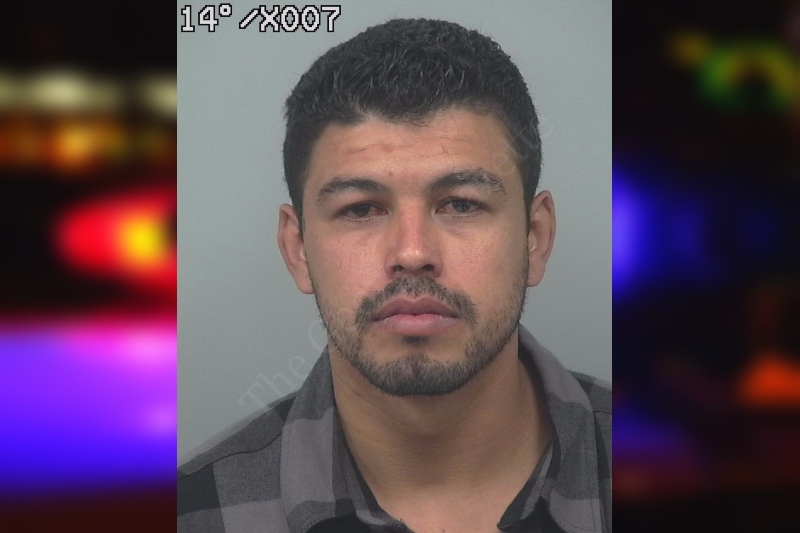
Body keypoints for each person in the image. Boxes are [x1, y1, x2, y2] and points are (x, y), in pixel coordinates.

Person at [178, 18, 611, 533]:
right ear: (298, 250)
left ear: (535, 238)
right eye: (361, 209)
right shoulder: (192, 513)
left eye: (461, 203)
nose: (412, 252)